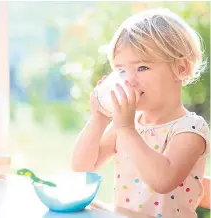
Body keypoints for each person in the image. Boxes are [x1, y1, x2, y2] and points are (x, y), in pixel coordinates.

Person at [71, 8, 210, 218]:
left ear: (181, 68)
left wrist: (126, 129)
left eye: (142, 67)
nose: (128, 80)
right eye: (120, 70)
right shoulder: (127, 124)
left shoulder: (190, 130)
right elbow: (82, 169)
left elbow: (163, 181)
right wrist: (98, 119)